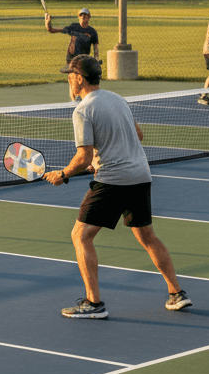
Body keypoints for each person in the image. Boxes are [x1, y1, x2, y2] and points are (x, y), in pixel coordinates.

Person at [42, 54, 191, 319]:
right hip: (140, 175)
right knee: (147, 236)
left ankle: (93, 303)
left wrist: (62, 174)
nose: (68, 79)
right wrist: (100, 159)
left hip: (114, 180)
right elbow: (138, 135)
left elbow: (82, 157)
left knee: (81, 235)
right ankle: (176, 293)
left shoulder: (83, 110)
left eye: (70, 75)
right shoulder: (117, 99)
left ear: (79, 78)